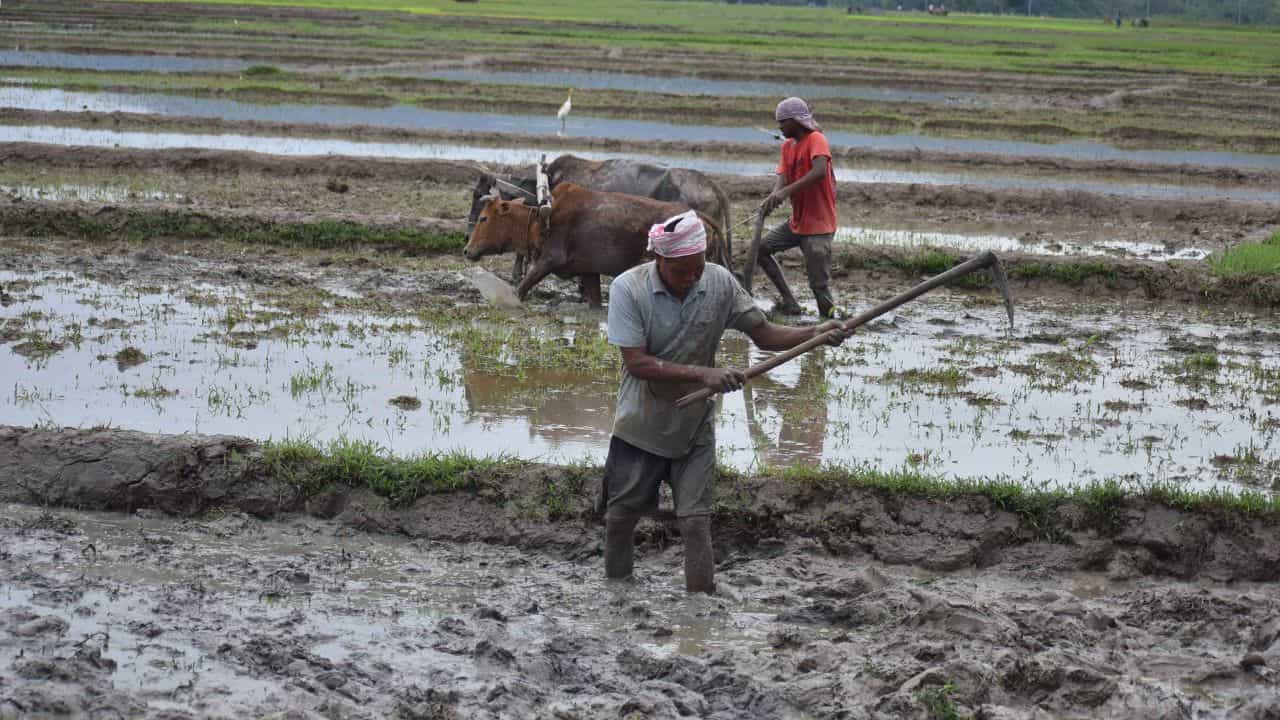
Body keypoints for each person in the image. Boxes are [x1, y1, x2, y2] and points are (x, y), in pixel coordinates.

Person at [601, 209, 849, 593]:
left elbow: (765, 335)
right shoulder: (628, 289)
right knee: (620, 519)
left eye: (697, 269)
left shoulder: (718, 282)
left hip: (694, 427)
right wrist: (704, 374)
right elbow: (637, 363)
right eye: (681, 271)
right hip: (640, 424)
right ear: (658, 259)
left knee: (695, 522)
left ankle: (700, 607)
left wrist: (815, 332)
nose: (691, 278)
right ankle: (616, 595)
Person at [759, 97, 839, 319]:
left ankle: (828, 322)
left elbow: (819, 171)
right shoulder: (787, 146)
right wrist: (774, 196)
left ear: (796, 121)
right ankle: (790, 302)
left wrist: (785, 193)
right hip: (797, 222)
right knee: (761, 250)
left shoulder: (816, 139)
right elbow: (783, 177)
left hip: (819, 225)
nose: (780, 127)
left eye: (783, 122)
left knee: (818, 284)